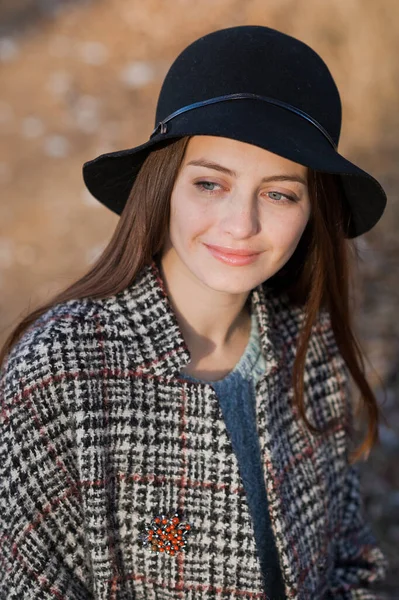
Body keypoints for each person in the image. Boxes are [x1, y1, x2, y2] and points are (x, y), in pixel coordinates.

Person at [0, 25, 389, 600]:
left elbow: (351, 567)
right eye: (210, 183)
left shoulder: (311, 348)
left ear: (313, 210)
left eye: (280, 193)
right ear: (164, 186)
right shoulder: (57, 373)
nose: (241, 224)